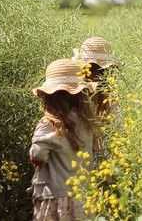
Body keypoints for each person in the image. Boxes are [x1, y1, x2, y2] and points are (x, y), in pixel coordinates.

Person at [30, 58, 95, 221]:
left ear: (48, 97)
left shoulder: (49, 124)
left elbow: (37, 156)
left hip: (55, 196)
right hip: (83, 196)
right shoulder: (86, 121)